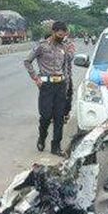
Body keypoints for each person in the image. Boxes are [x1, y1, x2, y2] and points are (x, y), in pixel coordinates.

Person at [24, 21, 73, 156]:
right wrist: (35, 78)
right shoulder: (42, 46)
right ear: (53, 32)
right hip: (47, 86)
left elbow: (66, 67)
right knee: (45, 116)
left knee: (59, 117)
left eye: (63, 35)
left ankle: (56, 146)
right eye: (59, 35)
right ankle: (42, 136)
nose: (61, 37)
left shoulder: (64, 47)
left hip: (60, 85)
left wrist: (67, 84)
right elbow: (27, 61)